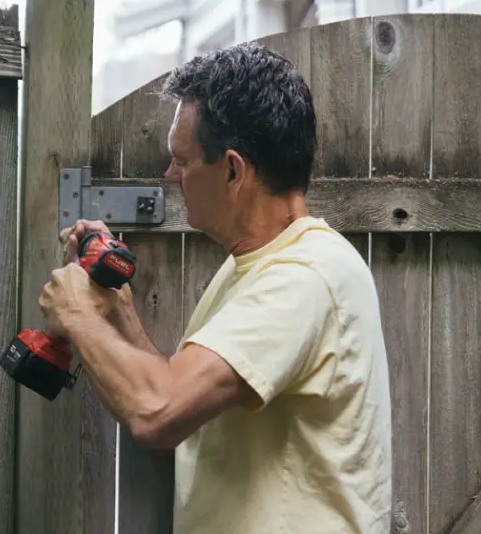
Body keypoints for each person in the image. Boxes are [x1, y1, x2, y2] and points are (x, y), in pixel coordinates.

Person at [38, 43, 392, 534]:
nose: (170, 176)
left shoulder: (304, 277)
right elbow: (178, 410)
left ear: (232, 170)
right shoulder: (256, 267)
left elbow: (156, 412)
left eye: (182, 161)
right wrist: (118, 312)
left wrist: (75, 313)